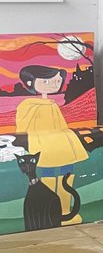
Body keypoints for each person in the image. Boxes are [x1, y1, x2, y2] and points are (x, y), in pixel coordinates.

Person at [16, 65, 89, 224]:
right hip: (43, 145)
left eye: (57, 81)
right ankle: (51, 212)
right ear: (30, 83)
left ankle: (65, 210)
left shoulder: (52, 104)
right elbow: (21, 129)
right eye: (47, 80)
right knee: (47, 175)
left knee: (67, 174)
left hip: (61, 143)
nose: (54, 84)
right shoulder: (27, 106)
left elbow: (62, 125)